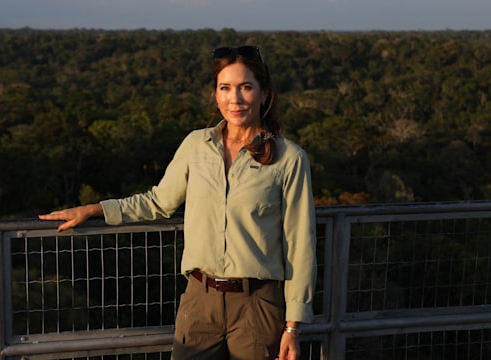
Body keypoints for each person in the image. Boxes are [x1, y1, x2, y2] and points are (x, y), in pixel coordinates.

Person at [39, 45, 317, 360]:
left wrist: (293, 328)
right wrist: (96, 209)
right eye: (225, 88)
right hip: (200, 300)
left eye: (246, 87)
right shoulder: (196, 145)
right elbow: (158, 201)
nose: (234, 98)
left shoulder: (288, 158)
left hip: (258, 305)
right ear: (215, 94)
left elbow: (300, 245)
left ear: (264, 93)